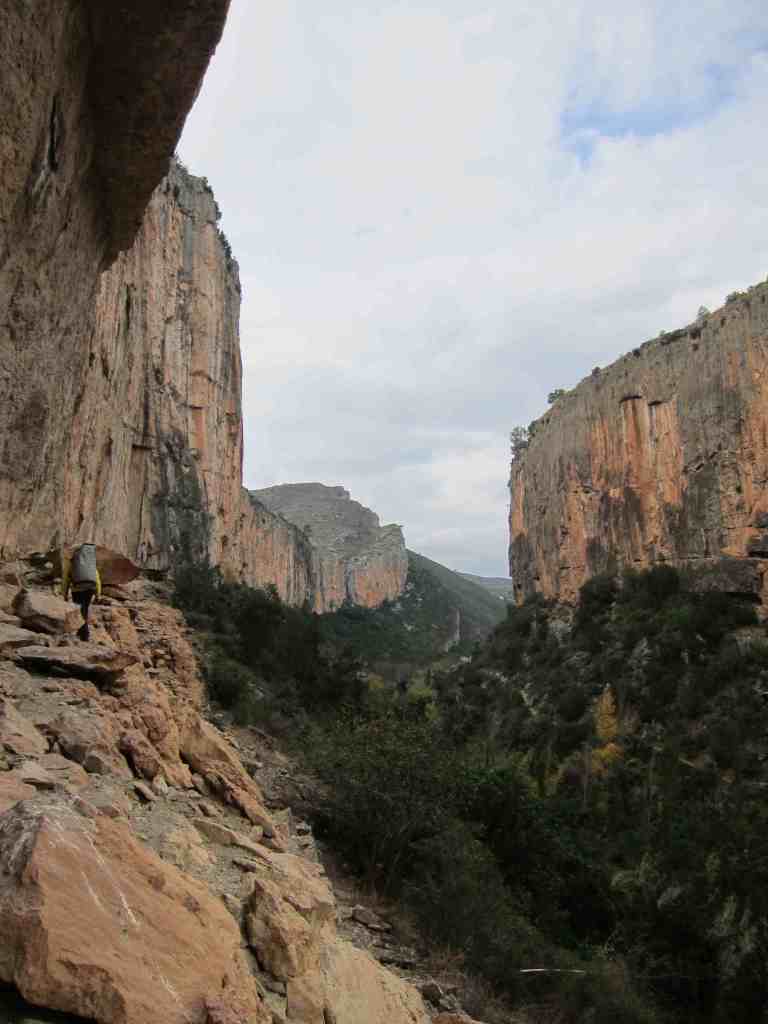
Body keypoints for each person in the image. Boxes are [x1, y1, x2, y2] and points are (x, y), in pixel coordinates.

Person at [61, 543, 101, 641]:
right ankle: (82, 633)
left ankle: (84, 635)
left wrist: (64, 594)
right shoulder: (90, 563)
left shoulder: (72, 562)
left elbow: (66, 579)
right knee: (85, 610)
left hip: (77, 589)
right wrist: (97, 594)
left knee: (81, 611)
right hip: (90, 588)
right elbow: (97, 578)